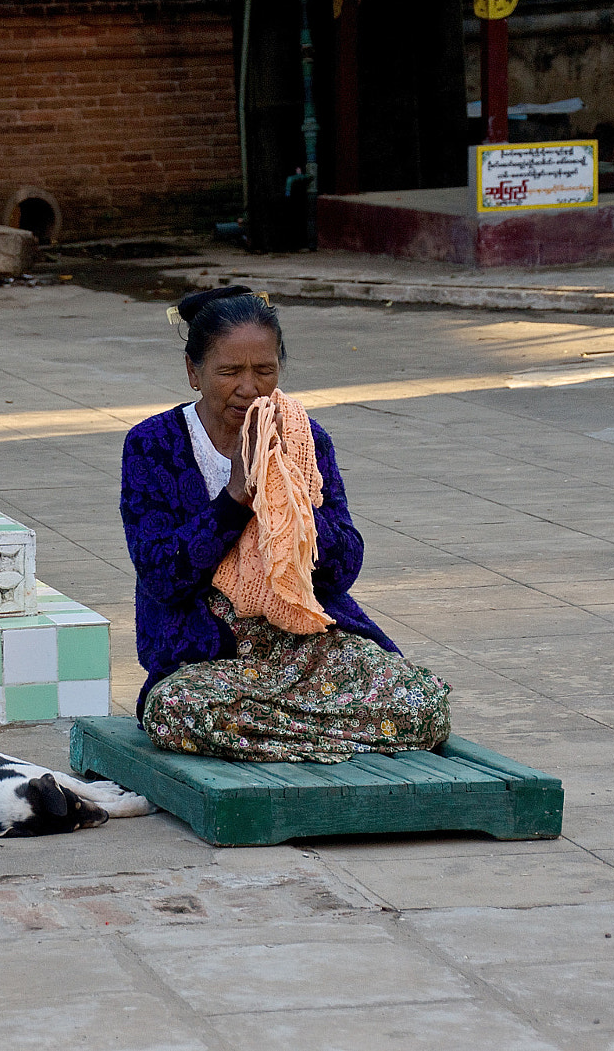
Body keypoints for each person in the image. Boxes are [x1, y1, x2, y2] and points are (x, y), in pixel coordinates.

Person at [120, 286, 451, 763]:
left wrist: (290, 496)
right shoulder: (151, 445)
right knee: (177, 709)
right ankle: (346, 734)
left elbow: (344, 568)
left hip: (308, 647)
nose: (249, 388)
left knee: (424, 704)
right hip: (215, 662)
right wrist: (236, 497)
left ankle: (288, 738)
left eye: (265, 371)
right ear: (194, 373)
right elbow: (160, 576)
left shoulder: (307, 439)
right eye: (229, 371)